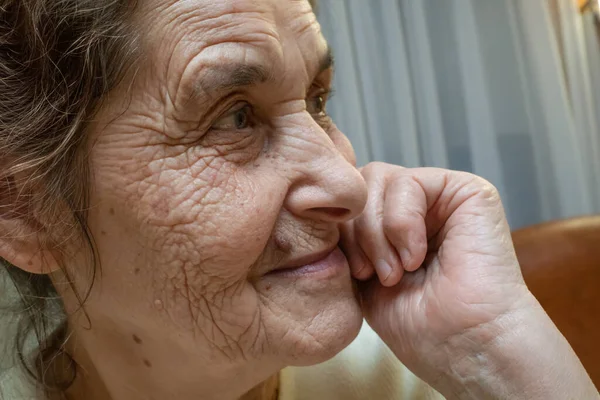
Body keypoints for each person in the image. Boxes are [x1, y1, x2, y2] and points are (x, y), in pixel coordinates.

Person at [0, 0, 597, 399]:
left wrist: (494, 353)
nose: (348, 181)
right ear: (26, 212)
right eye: (234, 117)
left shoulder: (408, 379)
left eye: (317, 100)